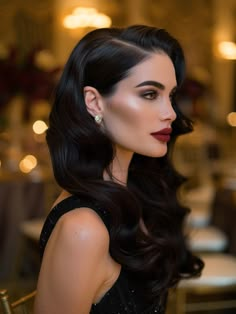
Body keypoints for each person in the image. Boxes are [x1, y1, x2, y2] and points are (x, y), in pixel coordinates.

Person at [34, 25, 203, 314]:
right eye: (150, 94)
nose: (171, 114)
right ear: (94, 102)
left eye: (171, 96)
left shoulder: (133, 194)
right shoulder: (83, 229)